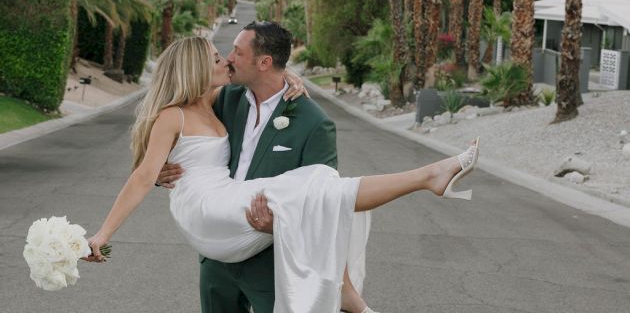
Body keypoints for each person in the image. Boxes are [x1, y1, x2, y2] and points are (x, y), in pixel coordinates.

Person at [86, 34, 480, 313]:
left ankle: (428, 179)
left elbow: (265, 85)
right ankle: (426, 180)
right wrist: (103, 234)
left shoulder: (221, 100)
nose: (226, 60)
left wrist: (288, 77)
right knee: (311, 194)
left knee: (319, 188)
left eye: (230, 55)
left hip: (231, 204)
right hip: (206, 207)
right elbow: (142, 176)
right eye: (218, 57)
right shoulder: (173, 115)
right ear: (194, 69)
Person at [156, 21, 372, 313]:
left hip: (270, 259)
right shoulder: (223, 99)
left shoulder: (314, 123)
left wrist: (278, 225)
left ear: (265, 62)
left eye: (237, 52)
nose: (228, 58)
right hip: (217, 257)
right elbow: (181, 134)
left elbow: (323, 201)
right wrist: (160, 170)